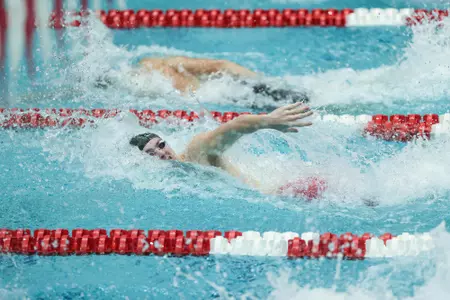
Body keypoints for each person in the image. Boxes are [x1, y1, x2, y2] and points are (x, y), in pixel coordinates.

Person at [130, 102, 325, 199]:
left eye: (161, 145)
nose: (161, 153)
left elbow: (236, 125)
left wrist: (270, 121)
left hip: (287, 192)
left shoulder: (196, 152)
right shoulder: (165, 183)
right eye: (151, 153)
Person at [95, 56, 310, 109]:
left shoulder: (157, 65)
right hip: (224, 96)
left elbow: (219, 65)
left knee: (301, 101)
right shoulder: (140, 88)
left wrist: (260, 80)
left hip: (231, 90)